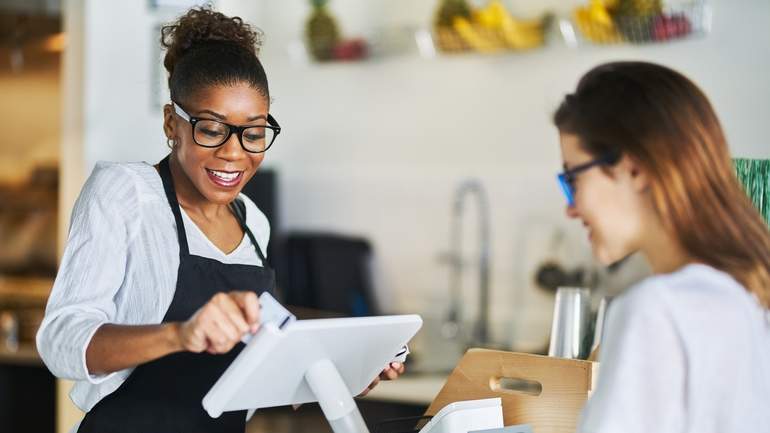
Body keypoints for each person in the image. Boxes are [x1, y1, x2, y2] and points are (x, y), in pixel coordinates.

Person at [36, 7, 402, 433]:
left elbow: (254, 372)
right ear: (172, 123)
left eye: (253, 132)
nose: (234, 152)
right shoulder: (126, 193)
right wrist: (178, 335)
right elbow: (60, 341)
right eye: (211, 129)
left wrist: (345, 371)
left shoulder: (253, 221)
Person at [554, 61, 770, 433]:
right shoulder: (747, 299)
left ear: (635, 169)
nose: (570, 207)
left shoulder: (655, 310)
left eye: (573, 178)